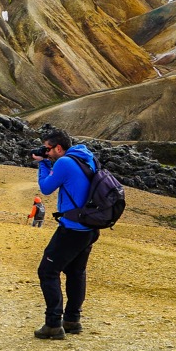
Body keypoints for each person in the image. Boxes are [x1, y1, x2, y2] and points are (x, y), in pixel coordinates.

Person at [32, 129, 100, 339]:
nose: (47, 152)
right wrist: (48, 159)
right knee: (76, 272)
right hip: (89, 227)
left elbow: (45, 188)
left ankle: (53, 324)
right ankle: (72, 320)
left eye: (48, 149)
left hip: (72, 229)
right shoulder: (87, 158)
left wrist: (42, 163)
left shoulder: (63, 163)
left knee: (48, 272)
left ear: (58, 148)